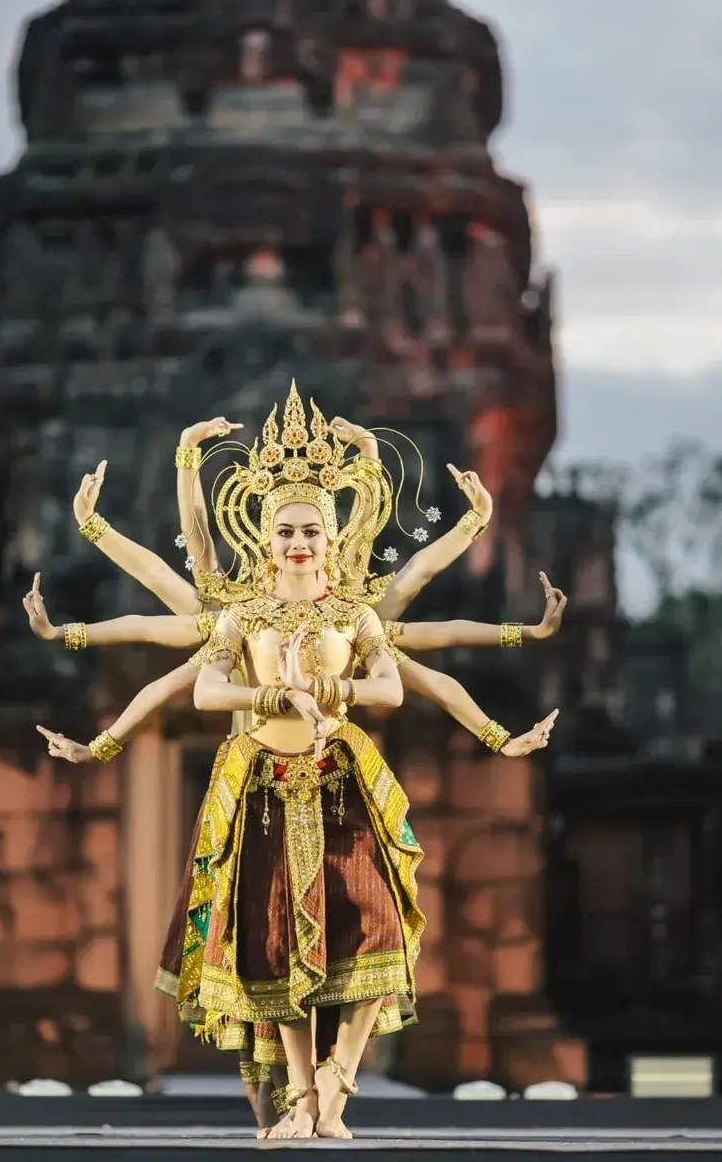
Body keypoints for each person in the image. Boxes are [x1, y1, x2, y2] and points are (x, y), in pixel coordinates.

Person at [35, 383, 558, 1139]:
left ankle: (334, 1086)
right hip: (262, 784)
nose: (298, 543)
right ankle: (302, 1102)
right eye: (283, 531)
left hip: (345, 785)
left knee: (376, 930)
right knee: (272, 942)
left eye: (311, 528)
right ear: (264, 538)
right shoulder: (241, 614)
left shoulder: (355, 612)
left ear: (335, 532)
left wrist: (498, 715)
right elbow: (175, 653)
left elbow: (420, 662)